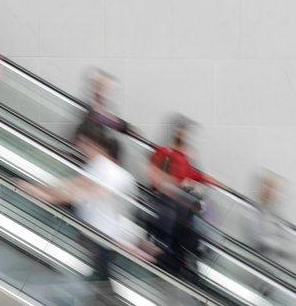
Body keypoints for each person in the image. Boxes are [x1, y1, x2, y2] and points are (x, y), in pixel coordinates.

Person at [18, 122, 158, 304]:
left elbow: (81, 189)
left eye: (82, 142)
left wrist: (46, 194)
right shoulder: (97, 167)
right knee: (98, 287)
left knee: (101, 290)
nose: (80, 147)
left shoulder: (110, 170)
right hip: (96, 239)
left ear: (93, 143)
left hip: (104, 241)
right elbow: (73, 186)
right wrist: (42, 191)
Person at [147, 115, 223, 277]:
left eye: (188, 133)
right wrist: (181, 184)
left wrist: (213, 182)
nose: (188, 136)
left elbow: (194, 175)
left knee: (187, 240)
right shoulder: (164, 152)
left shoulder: (185, 156)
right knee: (178, 241)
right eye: (184, 132)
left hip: (182, 211)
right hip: (169, 208)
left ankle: (187, 267)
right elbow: (155, 179)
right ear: (176, 131)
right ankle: (171, 265)